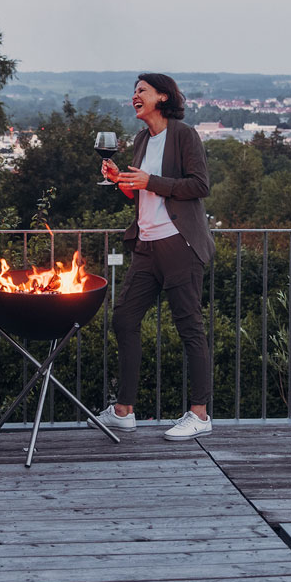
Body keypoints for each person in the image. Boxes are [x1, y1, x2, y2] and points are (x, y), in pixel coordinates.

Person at [90, 73, 216, 441]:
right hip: (146, 245)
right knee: (124, 318)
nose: (134, 96)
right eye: (133, 90)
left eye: (141, 90)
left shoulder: (184, 135)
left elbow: (199, 185)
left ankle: (200, 414)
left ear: (162, 97)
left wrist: (150, 182)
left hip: (179, 245)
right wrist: (120, 180)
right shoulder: (143, 139)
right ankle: (124, 410)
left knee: (189, 327)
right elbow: (139, 191)